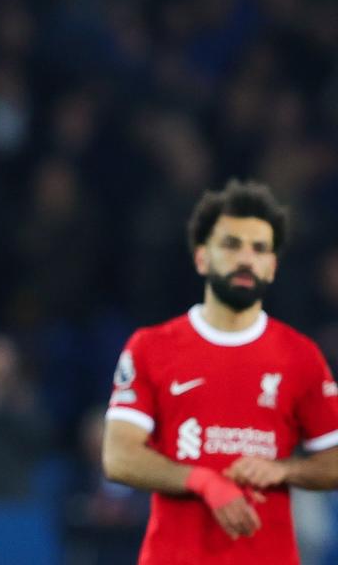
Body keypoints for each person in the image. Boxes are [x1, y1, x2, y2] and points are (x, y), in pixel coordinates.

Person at [102, 179, 338, 564]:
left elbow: (334, 459)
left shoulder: (301, 355)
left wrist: (284, 470)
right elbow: (119, 457)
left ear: (273, 266)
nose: (246, 258)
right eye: (231, 244)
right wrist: (203, 481)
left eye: (259, 248)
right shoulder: (152, 347)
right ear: (201, 258)